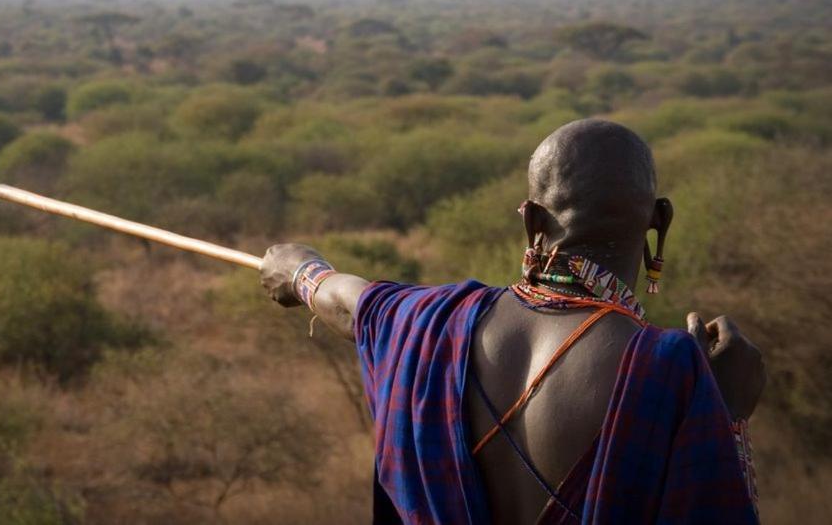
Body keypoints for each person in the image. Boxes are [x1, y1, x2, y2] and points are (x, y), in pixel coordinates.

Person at [261, 119, 764, 524]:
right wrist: (726, 416)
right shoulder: (671, 371)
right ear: (659, 222)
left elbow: (352, 305)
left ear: (532, 222)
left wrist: (302, 271)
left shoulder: (433, 322)